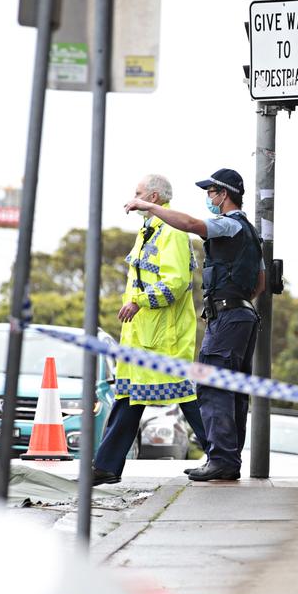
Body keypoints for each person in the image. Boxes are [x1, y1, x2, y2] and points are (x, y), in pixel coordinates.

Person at [125, 167, 265, 482]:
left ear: (224, 194)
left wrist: (150, 207)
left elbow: (190, 224)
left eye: (211, 192)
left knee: (213, 388)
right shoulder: (250, 233)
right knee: (233, 392)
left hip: (228, 318)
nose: (208, 198)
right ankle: (227, 460)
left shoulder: (228, 224)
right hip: (243, 316)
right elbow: (260, 283)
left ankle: (222, 460)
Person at [91, 174, 208, 485]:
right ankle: (105, 466)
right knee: (128, 398)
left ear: (154, 197)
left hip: (164, 338)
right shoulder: (149, 230)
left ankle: (221, 457)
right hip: (141, 337)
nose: (133, 197)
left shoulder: (171, 230)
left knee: (187, 397)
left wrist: (138, 302)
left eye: (138, 192)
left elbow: (176, 283)